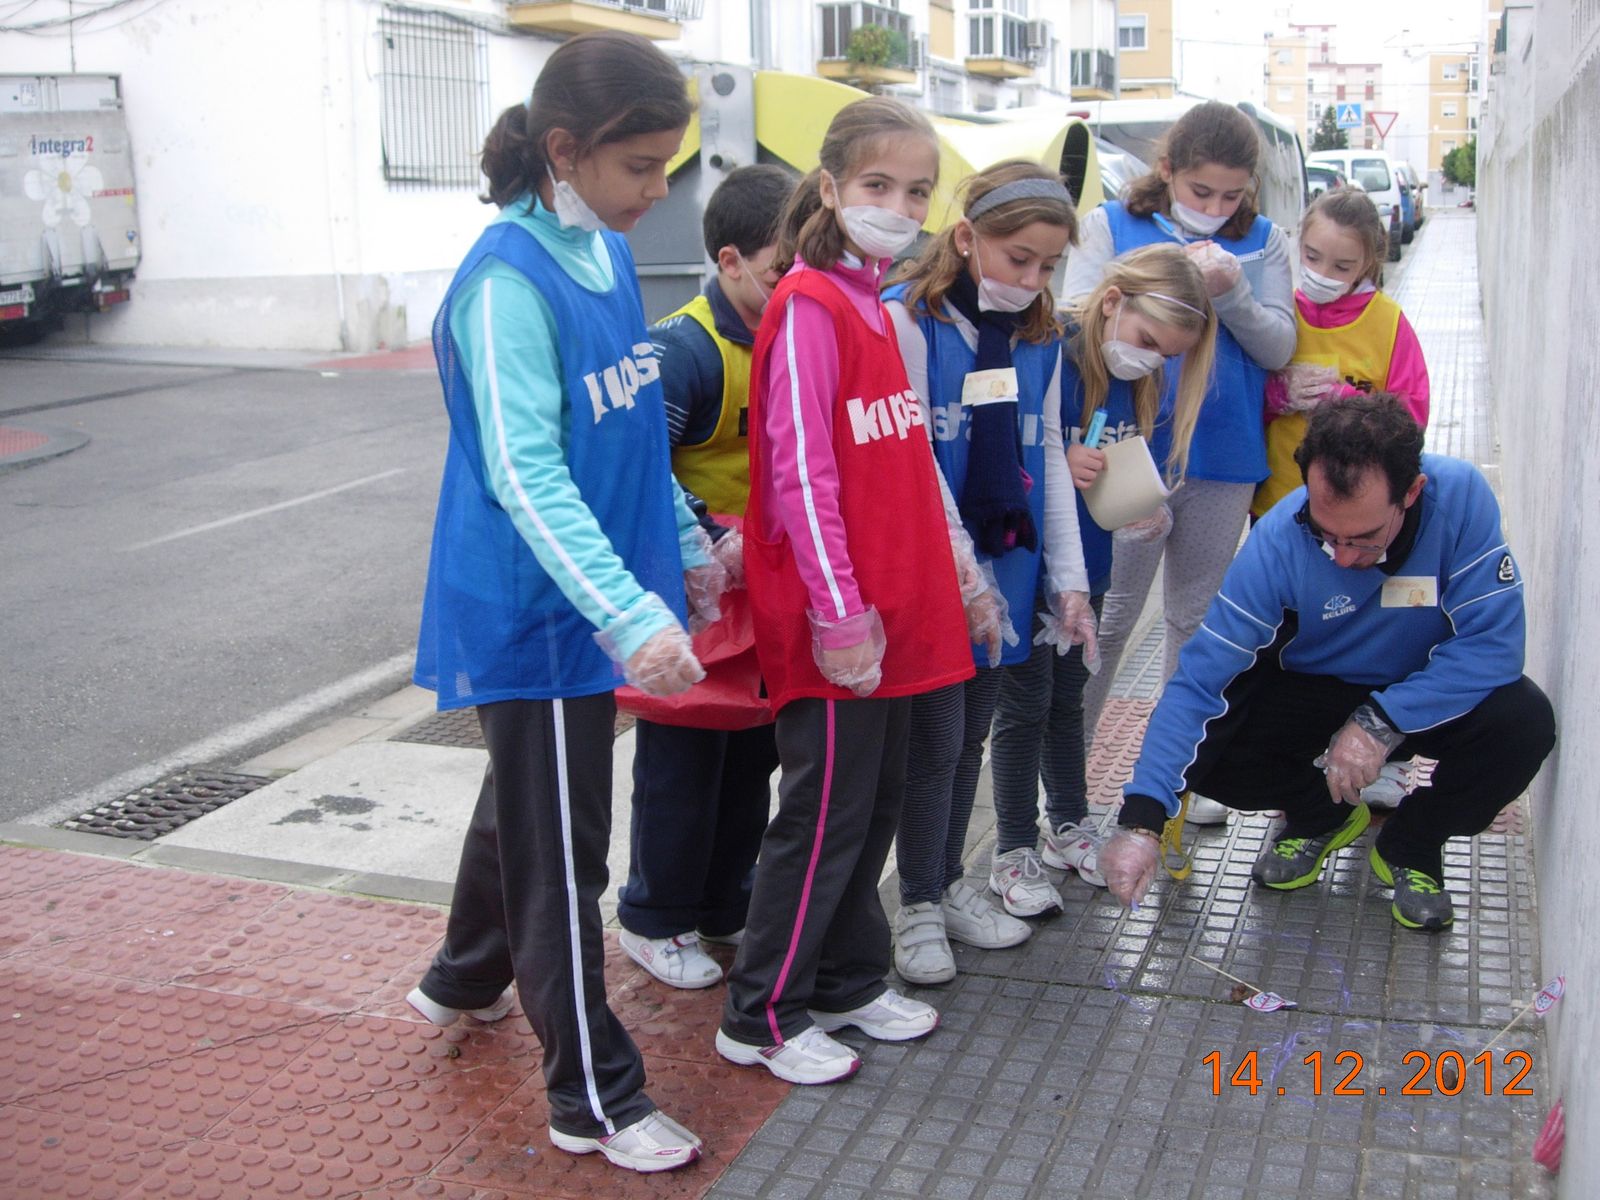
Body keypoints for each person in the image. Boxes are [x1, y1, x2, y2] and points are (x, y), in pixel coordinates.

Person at [406, 32, 722, 1174]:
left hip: (591, 600)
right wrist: (629, 616)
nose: (656, 191)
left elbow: (629, 428)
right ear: (564, 151)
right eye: (638, 167)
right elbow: (523, 473)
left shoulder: (602, 254)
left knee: (527, 804)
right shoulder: (504, 284)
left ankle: (461, 978)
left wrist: (685, 542)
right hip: (541, 613)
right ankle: (590, 1095)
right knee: (563, 850)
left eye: (666, 167)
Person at [716, 97, 989, 1084]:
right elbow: (797, 474)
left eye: (916, 191)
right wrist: (838, 612)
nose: (897, 205)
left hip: (891, 616)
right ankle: (761, 1015)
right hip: (838, 625)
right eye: (878, 186)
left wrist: (950, 573)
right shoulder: (806, 306)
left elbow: (901, 462)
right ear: (829, 186)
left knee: (867, 809)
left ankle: (846, 976)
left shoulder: (874, 302)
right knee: (822, 816)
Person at [1099, 394, 1556, 933]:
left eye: (1363, 538)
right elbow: (1199, 681)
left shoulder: (1460, 498)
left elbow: (1495, 643)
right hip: (1315, 689)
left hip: (1428, 691)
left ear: (1411, 493)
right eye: (1326, 534)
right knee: (1207, 752)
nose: (1341, 557)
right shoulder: (1277, 540)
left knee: (1525, 723)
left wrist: (1382, 721)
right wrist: (1141, 822)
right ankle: (1323, 812)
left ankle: (1414, 842)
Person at [1067, 102, 1296, 828]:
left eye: (1232, 196)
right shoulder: (1111, 224)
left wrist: (1231, 296)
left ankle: (1172, 777)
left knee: (1194, 622)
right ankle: (1063, 779)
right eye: (1201, 192)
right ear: (1167, 170)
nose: (1216, 208)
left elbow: (1281, 349)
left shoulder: (1264, 242)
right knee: (1107, 620)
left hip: (1225, 457)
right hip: (1128, 452)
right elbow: (1078, 317)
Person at [880, 160, 1083, 982]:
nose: (1030, 279)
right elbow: (910, 464)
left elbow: (1055, 461)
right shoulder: (907, 324)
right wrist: (964, 576)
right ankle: (917, 906)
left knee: (975, 735)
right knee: (936, 739)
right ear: (965, 239)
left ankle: (947, 884)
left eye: (1047, 265)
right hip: (938, 569)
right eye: (1015, 259)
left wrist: (1067, 579)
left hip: (1011, 566)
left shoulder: (1043, 337)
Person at [985, 242, 1217, 912]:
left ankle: (1067, 820)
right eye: (1147, 340)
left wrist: (1134, 509)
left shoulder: (1134, 382)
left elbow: (1112, 469)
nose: (1150, 358)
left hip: (1089, 564)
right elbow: (1006, 449)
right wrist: (1061, 457)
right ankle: (1012, 844)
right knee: (1023, 707)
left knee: (1068, 698)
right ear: (1113, 300)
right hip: (1034, 568)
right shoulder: (1049, 351)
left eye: (1166, 355)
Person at [616, 165, 795, 989]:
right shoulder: (684, 348)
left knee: (751, 756)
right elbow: (636, 461)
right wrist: (702, 543)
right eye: (777, 269)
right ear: (729, 261)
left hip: (766, 592)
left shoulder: (794, 334)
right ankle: (654, 918)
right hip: (697, 594)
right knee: (681, 763)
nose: (794, 284)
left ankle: (726, 899)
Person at [1252, 185, 1430, 517]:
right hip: (1277, 502)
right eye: (1312, 256)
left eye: (1342, 267)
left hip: (1355, 511)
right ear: (1298, 243)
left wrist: (1347, 403)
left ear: (1366, 263)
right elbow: (1236, 404)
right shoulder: (1278, 312)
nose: (1322, 274)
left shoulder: (1388, 323)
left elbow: (1411, 424)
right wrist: (1273, 396)